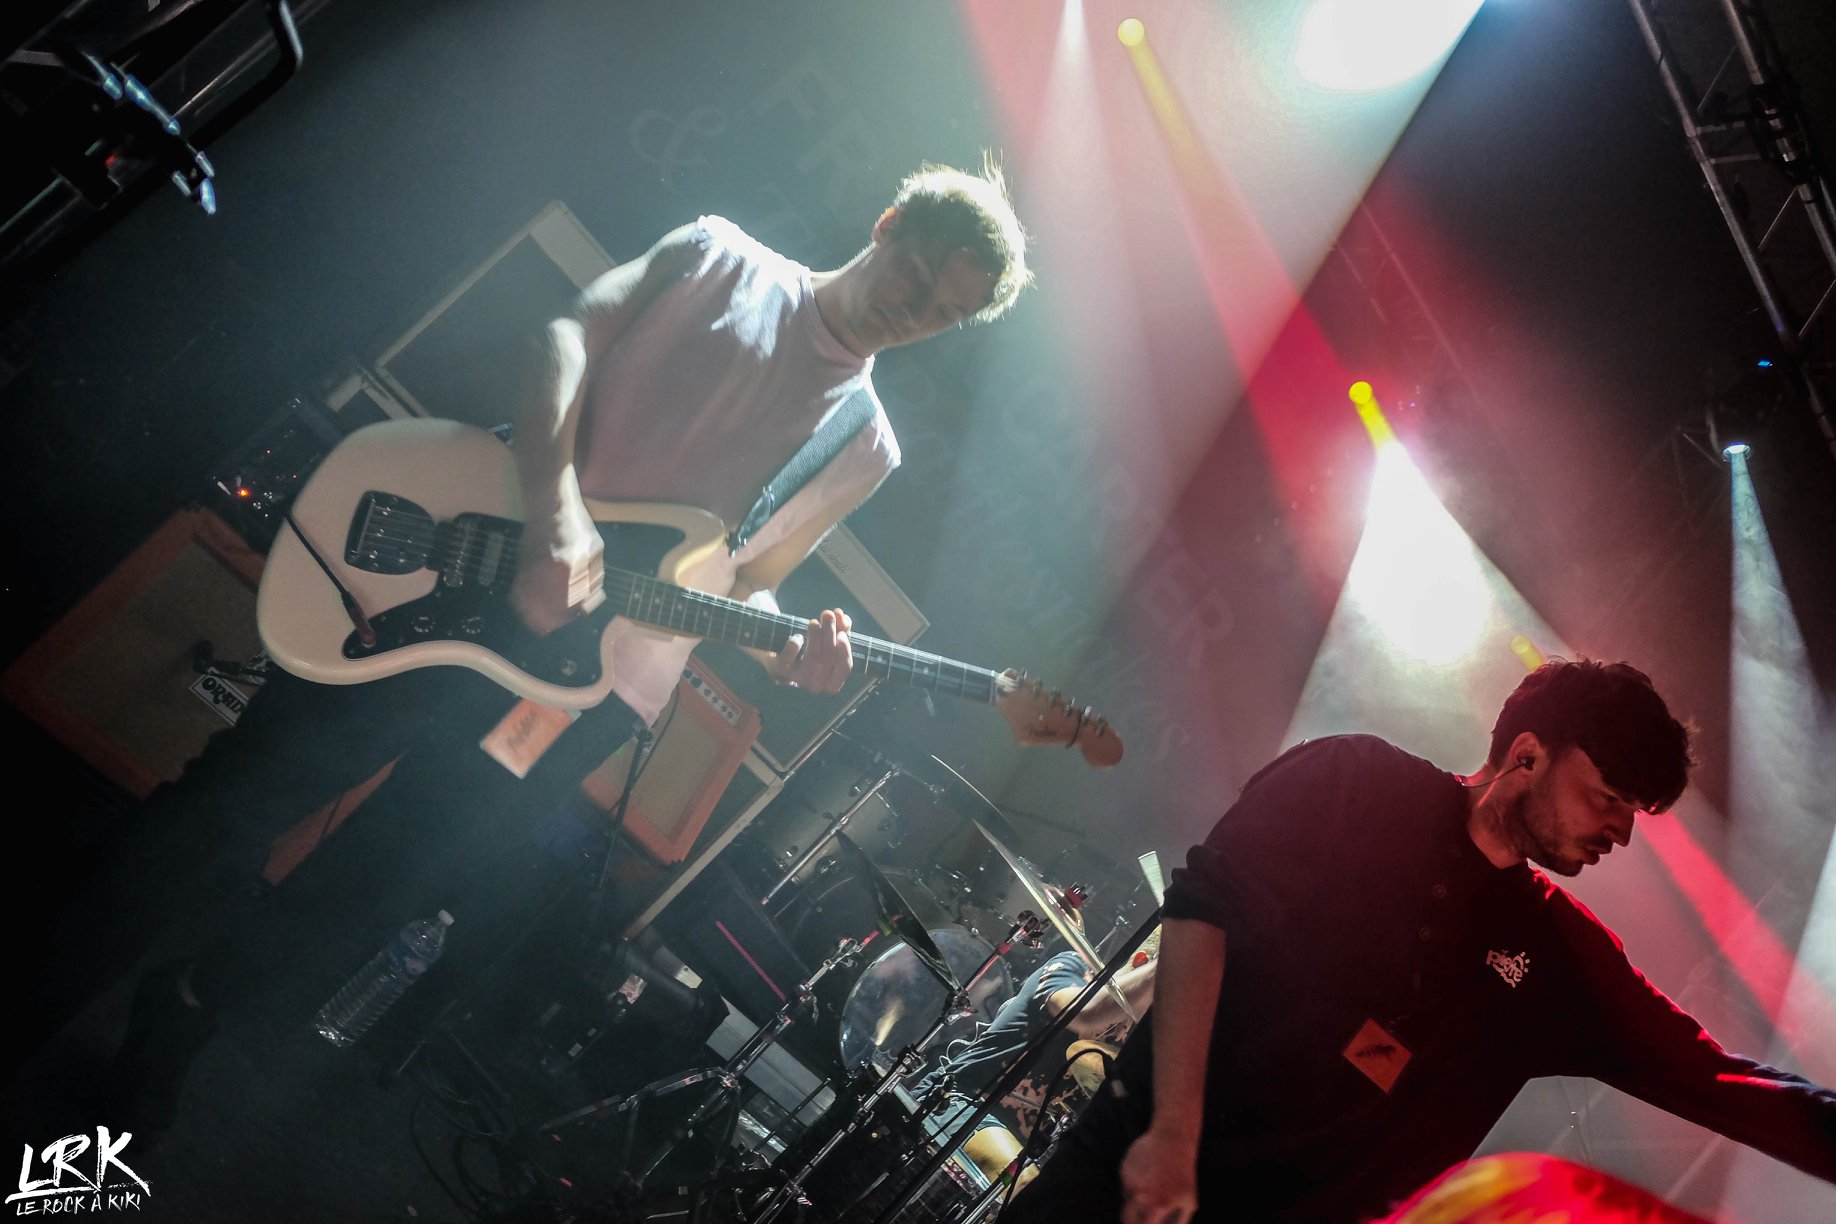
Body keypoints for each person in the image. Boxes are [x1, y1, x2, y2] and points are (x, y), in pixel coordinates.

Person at [15, 158, 1034, 1140]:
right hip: (467, 571)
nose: (911, 312)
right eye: (915, 278)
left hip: (584, 690)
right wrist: (555, 512)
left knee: (385, 884)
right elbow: (562, 334)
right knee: (234, 803)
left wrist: (790, 652)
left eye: (939, 314)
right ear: (887, 227)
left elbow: (750, 577)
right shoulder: (718, 255)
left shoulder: (865, 442)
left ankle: (191, 1003)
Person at [999, 659, 1836, 1223]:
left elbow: (1715, 1080)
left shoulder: (1560, 958)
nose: (1620, 830)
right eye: (1608, 797)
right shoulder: (1353, 782)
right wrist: (1172, 1135)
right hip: (1131, 1174)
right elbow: (1201, 912)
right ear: (1528, 754)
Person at [915, 897, 1157, 1145]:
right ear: (1141, 963)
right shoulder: (1075, 968)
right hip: (956, 1102)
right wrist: (1167, 965)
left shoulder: (1136, 1043)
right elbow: (1083, 1014)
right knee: (1012, 1170)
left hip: (1021, 1147)